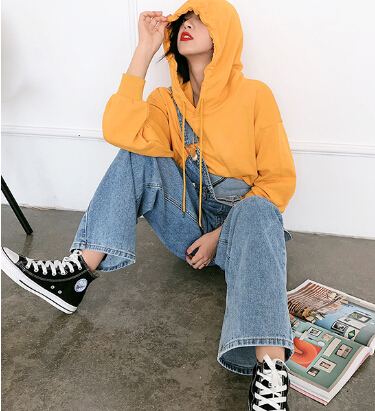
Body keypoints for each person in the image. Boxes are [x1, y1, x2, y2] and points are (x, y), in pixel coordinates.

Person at [1, 0, 296, 409]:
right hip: (188, 227)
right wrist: (144, 48)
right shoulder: (165, 101)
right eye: (183, 20)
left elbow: (278, 180)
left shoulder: (255, 95)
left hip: (242, 234)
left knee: (260, 209)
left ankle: (271, 375)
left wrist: (218, 236)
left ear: (223, 34)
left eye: (199, 20)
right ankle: (77, 274)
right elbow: (119, 130)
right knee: (137, 154)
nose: (187, 25)